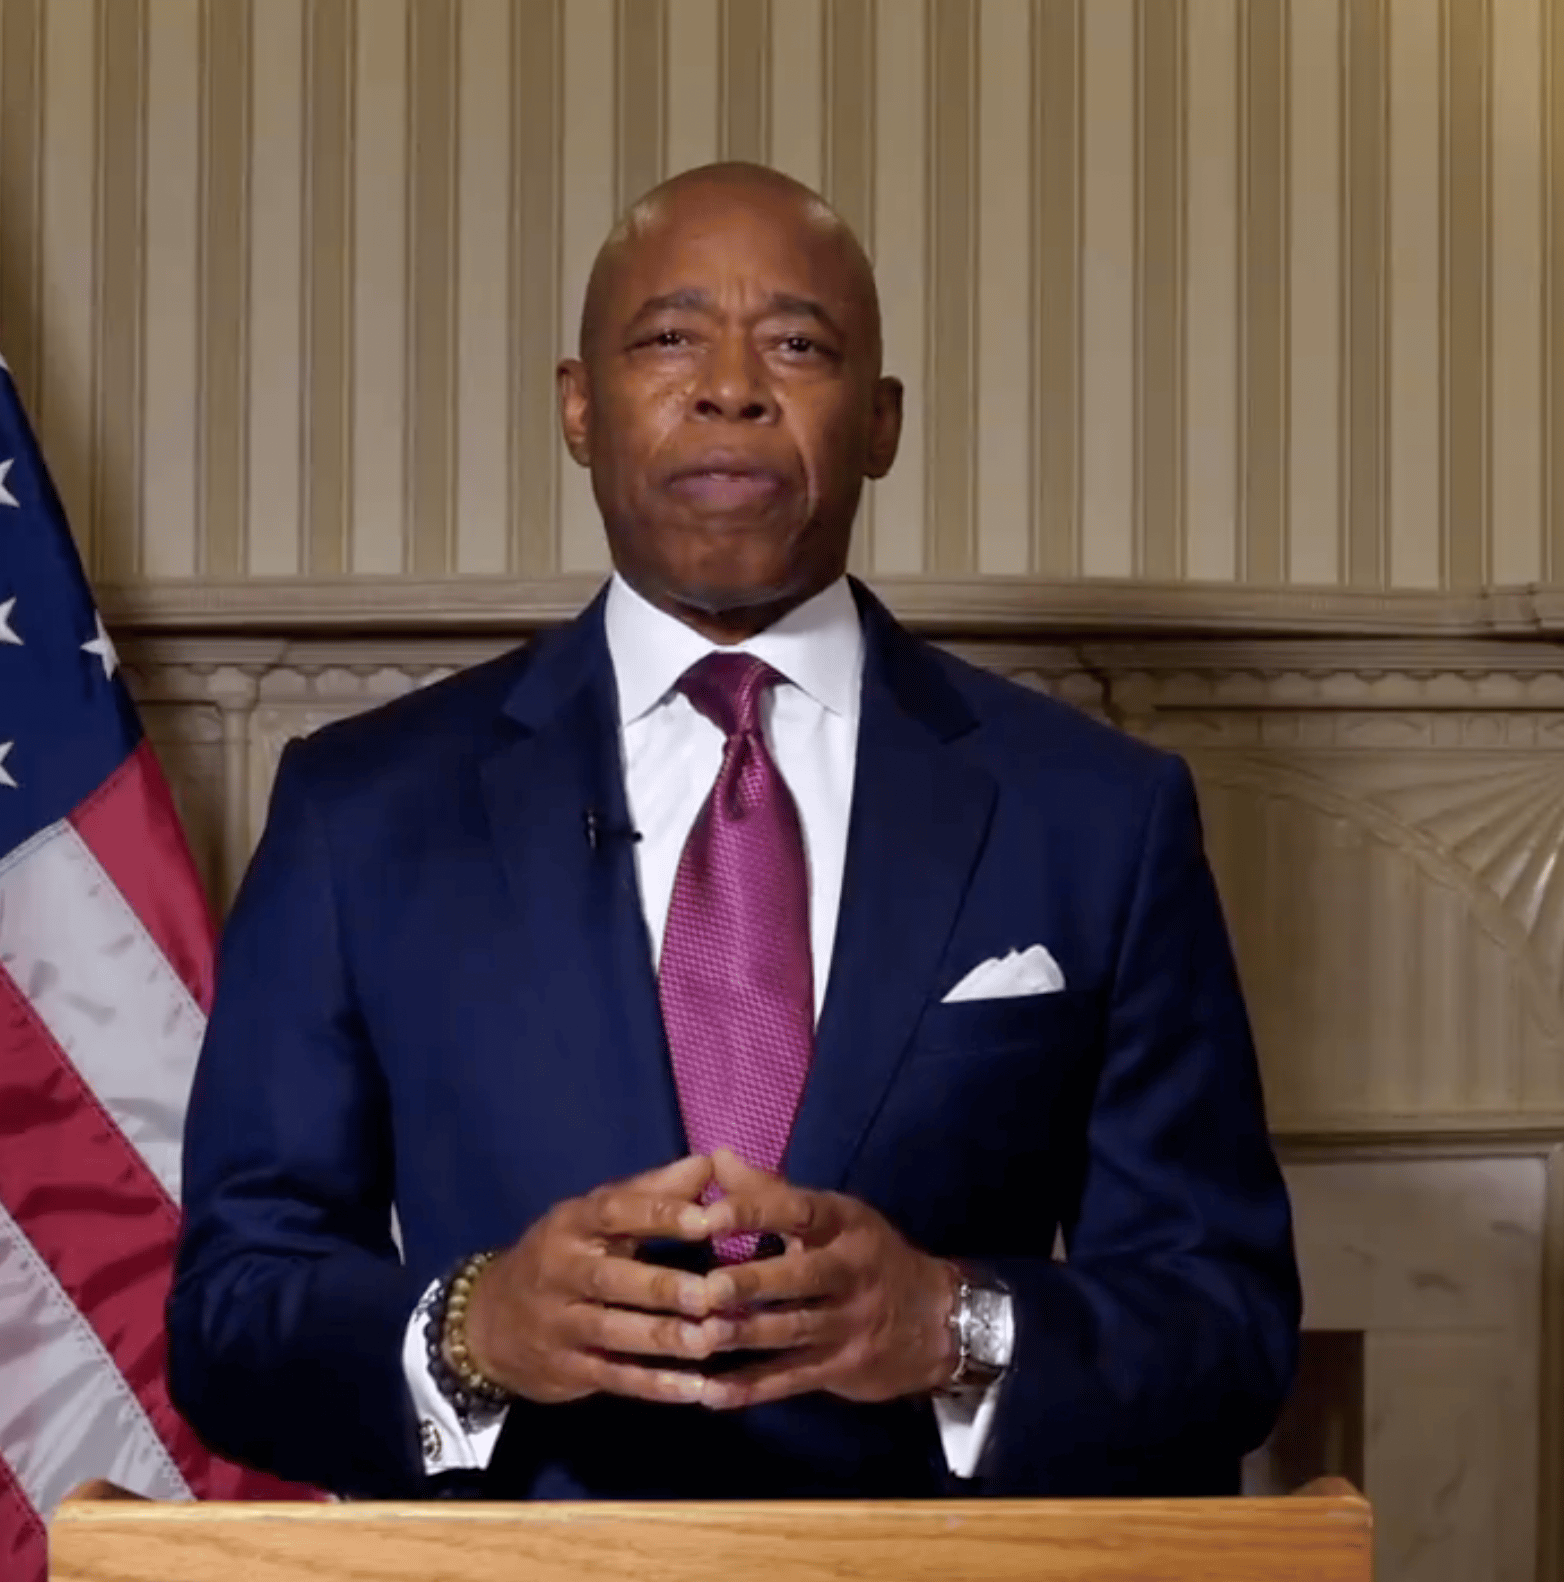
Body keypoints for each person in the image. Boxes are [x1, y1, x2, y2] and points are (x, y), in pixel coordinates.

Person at [166, 161, 1302, 1501]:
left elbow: (1227, 1330)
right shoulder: (359, 810)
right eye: (667, 338)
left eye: (796, 344)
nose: (729, 385)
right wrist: (476, 1330)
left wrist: (954, 1329)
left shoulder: (1100, 814)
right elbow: (231, 1317)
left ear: (878, 422)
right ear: (577, 408)